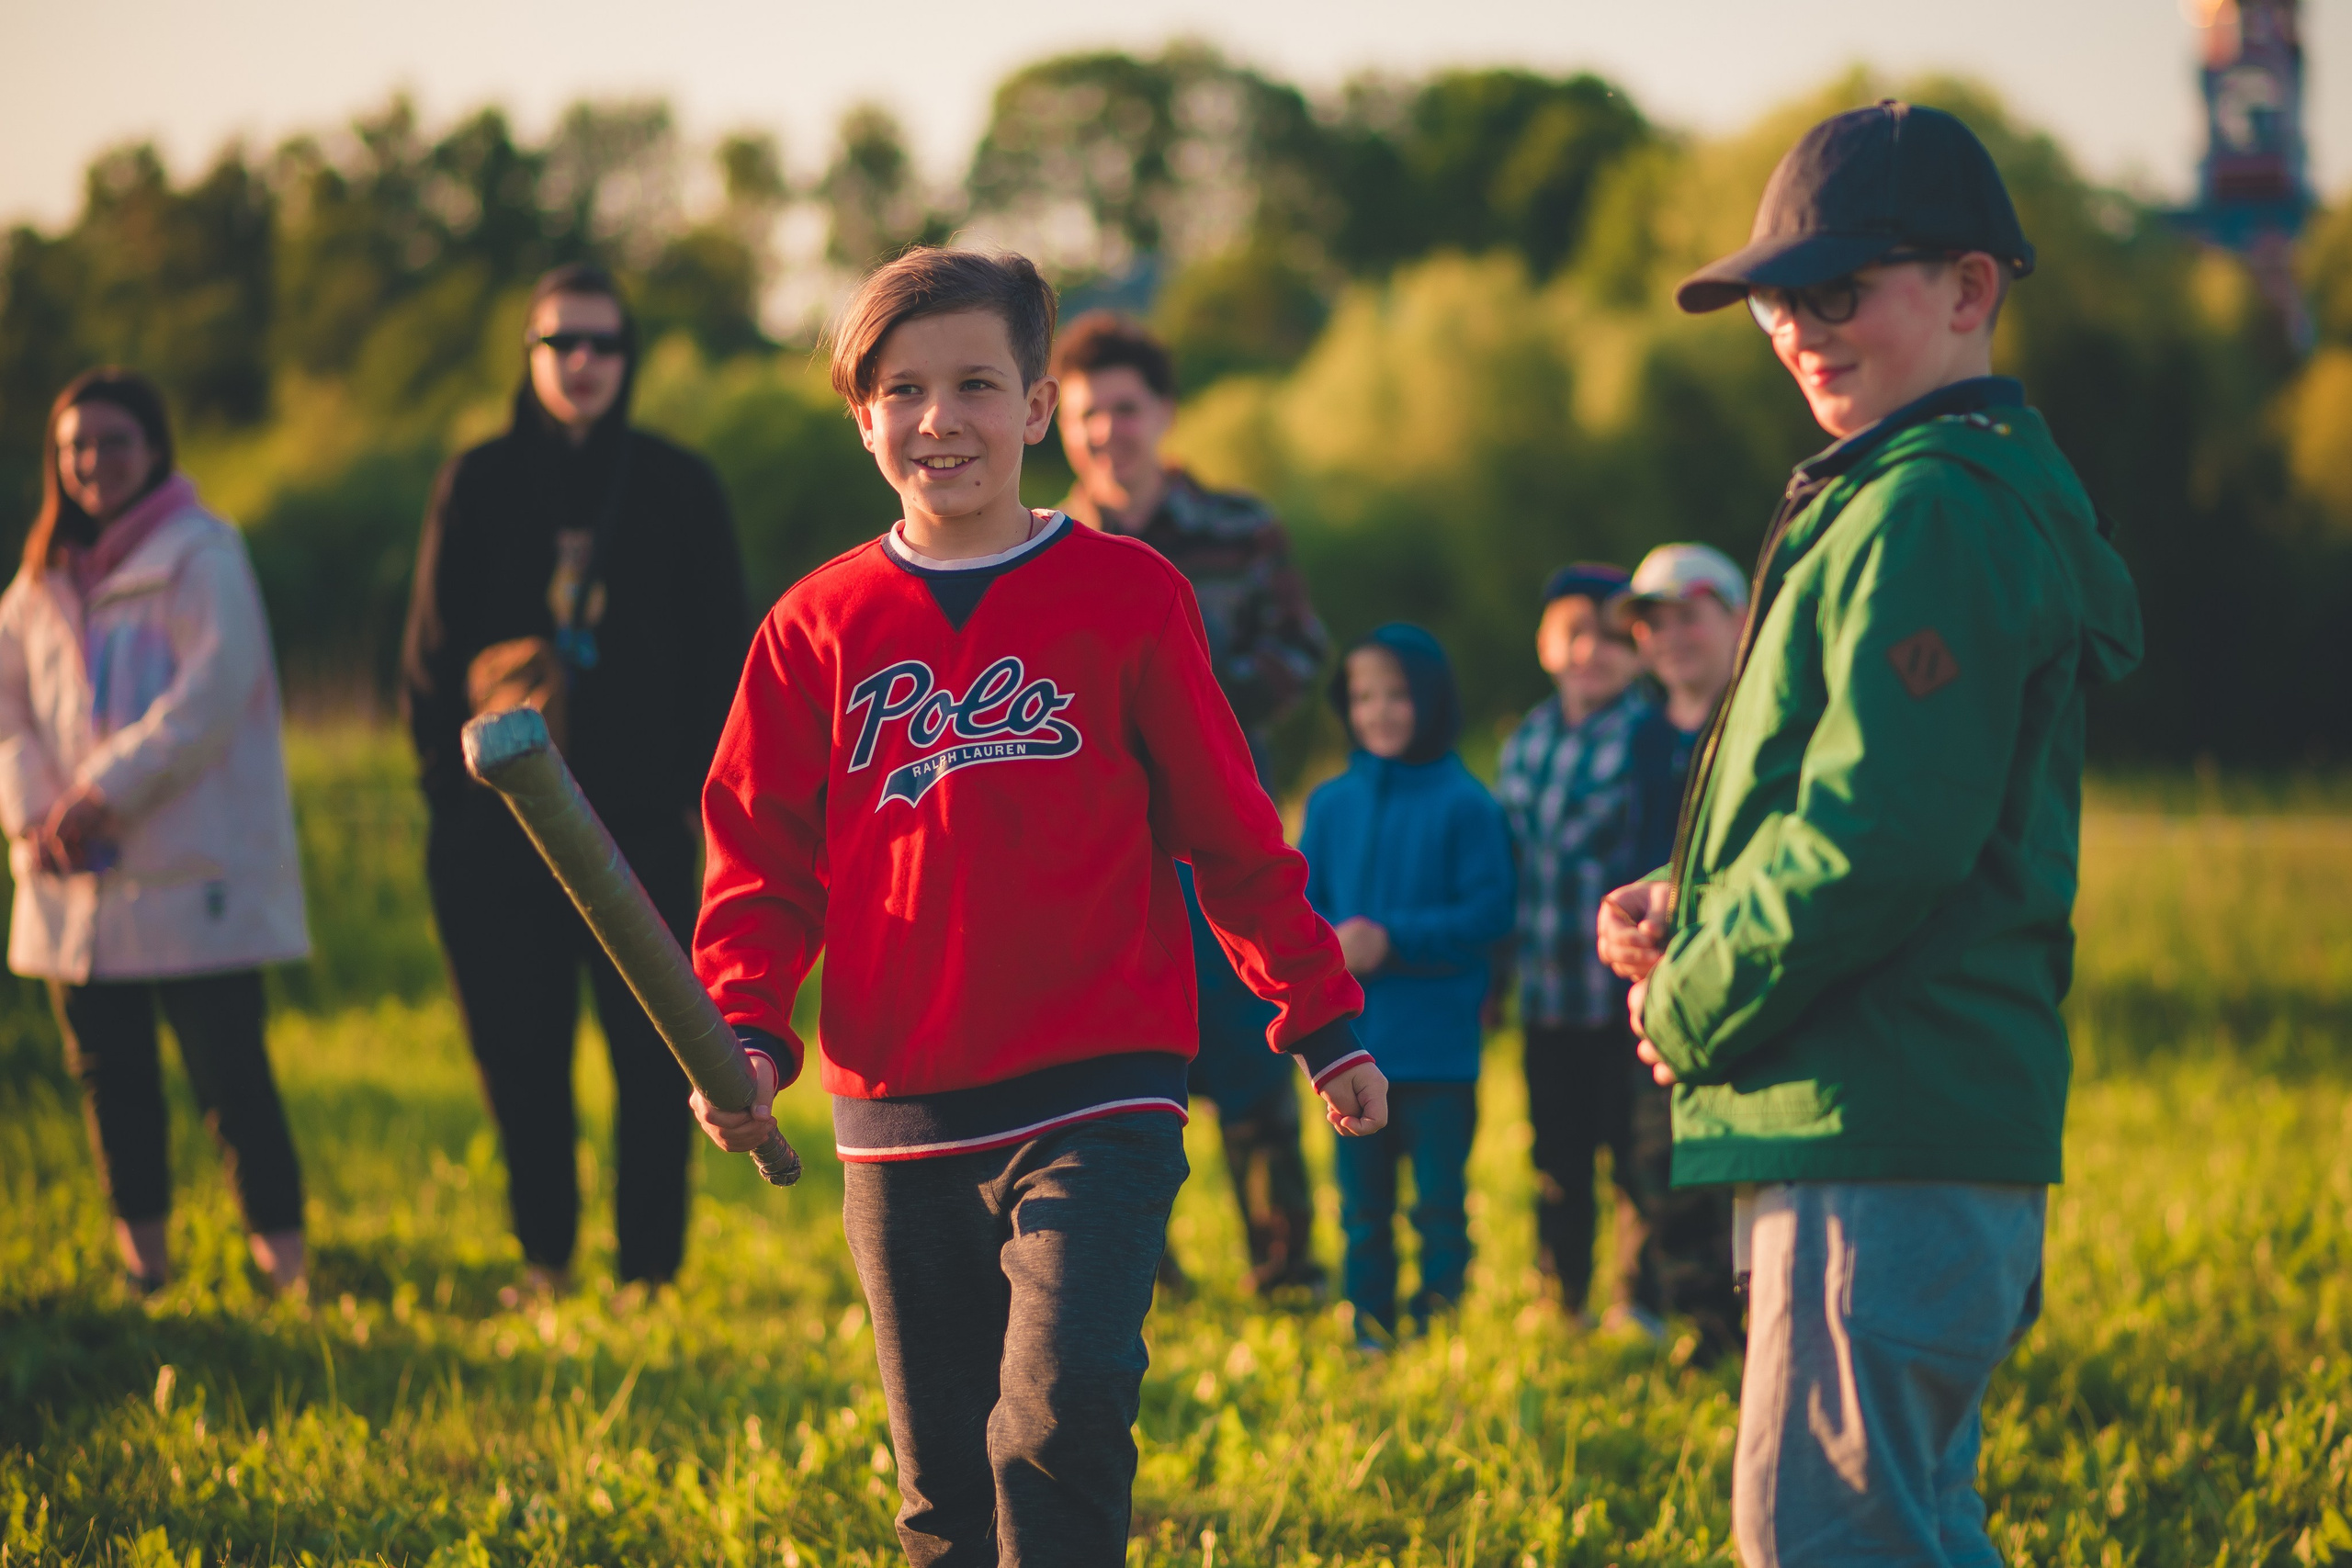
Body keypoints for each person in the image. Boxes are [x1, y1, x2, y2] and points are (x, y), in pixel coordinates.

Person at [686, 247, 1388, 1565]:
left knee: (1061, 1419)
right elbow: (760, 861)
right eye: (902, 389)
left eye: (973, 383)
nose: (938, 417)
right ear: (862, 415)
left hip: (1099, 1084)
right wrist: (748, 1025)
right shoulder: (814, 625)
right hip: (899, 1105)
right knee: (945, 1475)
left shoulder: (1127, 596)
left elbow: (1231, 830)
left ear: (1036, 406)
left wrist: (1319, 1015)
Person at [1600, 101, 2142, 1563]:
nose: (1796, 329)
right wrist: (1683, 900)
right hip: (1879, 1111)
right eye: (1778, 299)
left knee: (1826, 1538)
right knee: (1896, 1527)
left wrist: (1687, 1000)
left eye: (1836, 291)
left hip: (1884, 1116)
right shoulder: (1899, 495)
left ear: (1970, 290)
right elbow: (1844, 791)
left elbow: (1879, 832)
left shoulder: (1932, 512)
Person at [401, 263, 751, 1294]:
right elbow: (426, 664)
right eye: (561, 343)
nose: (583, 362)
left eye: (603, 343)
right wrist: (453, 803)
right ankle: (543, 1259)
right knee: (519, 1060)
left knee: (658, 1061)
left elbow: (722, 656)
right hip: (492, 835)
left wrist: (688, 798)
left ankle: (650, 1271)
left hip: (639, 826)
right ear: (530, 356)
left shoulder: (678, 483)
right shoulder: (476, 481)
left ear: (628, 358)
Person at [0, 369, 310, 1296]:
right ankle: (147, 1271)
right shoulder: (39, 576)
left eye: (113, 442)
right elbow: (7, 705)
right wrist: (33, 808)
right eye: (74, 448)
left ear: (154, 447)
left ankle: (283, 1270)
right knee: (111, 1080)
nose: (93, 462)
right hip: (72, 877)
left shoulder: (202, 555)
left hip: (188, 869)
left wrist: (99, 793)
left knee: (232, 1082)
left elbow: (208, 700)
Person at [1052, 310, 1333, 1296]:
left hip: (1221, 834)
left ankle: (1285, 1263)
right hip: (1100, 855)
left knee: (1253, 1054)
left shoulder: (1240, 528)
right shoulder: (1040, 554)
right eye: (1086, 415)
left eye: (1123, 411)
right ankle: (1140, 1266)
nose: (1104, 433)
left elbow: (1301, 650)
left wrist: (1186, 704)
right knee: (1118, 1066)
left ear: (1163, 413)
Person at [1302, 625, 1514, 1347]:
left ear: (1432, 699)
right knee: (1361, 1205)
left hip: (1439, 1050)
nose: (1380, 711)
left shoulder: (1467, 803)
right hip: (1356, 1049)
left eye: (1397, 694)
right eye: (1363, 696)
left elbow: (1491, 912)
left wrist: (1391, 937)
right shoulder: (1330, 805)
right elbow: (1300, 912)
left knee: (1438, 1203)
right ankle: (1367, 1323)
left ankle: (1439, 1322)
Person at [1494, 564, 1669, 1334]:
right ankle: (1560, 1296)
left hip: (1617, 990)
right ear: (1544, 645)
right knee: (1555, 1153)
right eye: (1574, 633)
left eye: (1609, 637)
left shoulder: (1648, 736)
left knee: (1634, 1153)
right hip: (1545, 985)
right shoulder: (1526, 739)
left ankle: (1639, 1297)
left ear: (1635, 648)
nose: (1591, 652)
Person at [1619, 542, 1748, 1359]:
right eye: (1652, 623)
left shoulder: (1761, 724)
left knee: (1738, 1159)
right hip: (1651, 979)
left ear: (1738, 617)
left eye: (1689, 615)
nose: (1671, 636)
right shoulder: (1634, 737)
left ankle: (1750, 1322)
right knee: (1660, 1155)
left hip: (1742, 971)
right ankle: (1698, 1320)